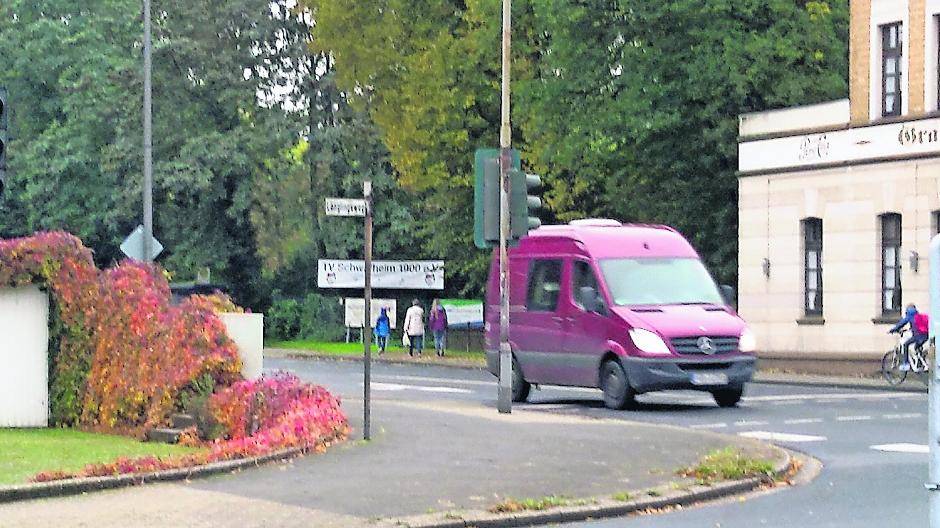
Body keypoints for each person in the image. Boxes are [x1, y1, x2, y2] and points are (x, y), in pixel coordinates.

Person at [889, 303, 929, 370]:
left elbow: (901, 323)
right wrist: (908, 329)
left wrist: (893, 330)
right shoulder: (917, 315)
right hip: (925, 336)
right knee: (916, 348)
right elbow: (916, 326)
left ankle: (906, 364)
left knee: (905, 344)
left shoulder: (910, 315)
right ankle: (921, 364)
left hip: (917, 336)